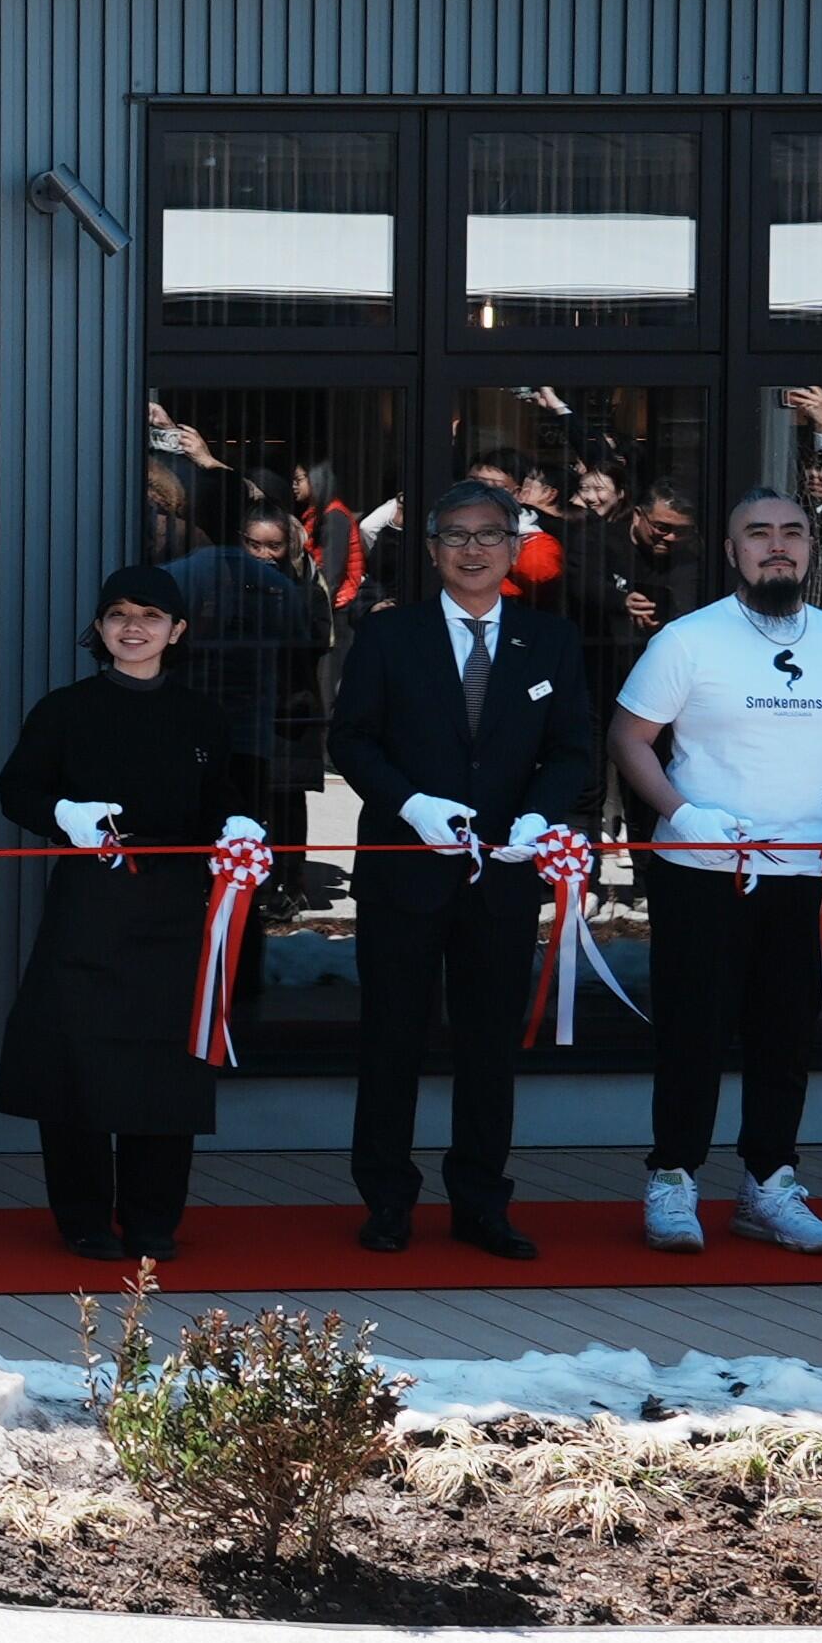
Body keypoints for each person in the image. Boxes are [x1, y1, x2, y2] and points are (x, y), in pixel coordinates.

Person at [611, 488, 822, 1253]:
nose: (776, 545)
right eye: (757, 533)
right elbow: (629, 738)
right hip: (701, 868)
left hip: (803, 872)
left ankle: (768, 1184)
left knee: (783, 1034)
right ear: (730, 551)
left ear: (809, 546)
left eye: (791, 533)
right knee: (692, 1031)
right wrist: (679, 811)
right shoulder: (686, 641)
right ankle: (672, 1177)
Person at [328, 478, 600, 1256]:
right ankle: (386, 1199)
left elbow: (572, 750)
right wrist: (411, 804)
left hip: (503, 874)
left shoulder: (549, 640)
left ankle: (480, 1201)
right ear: (430, 548)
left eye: (488, 535)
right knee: (391, 1040)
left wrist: (537, 817)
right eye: (455, 534)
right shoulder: (390, 634)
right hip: (403, 870)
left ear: (514, 547)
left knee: (488, 1047)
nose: (472, 549)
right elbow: (349, 740)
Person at [0, 569, 260, 1262]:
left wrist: (236, 822)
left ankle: (151, 1219)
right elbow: (17, 789)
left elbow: (219, 792)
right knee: (75, 1058)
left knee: (165, 1063)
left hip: (176, 908)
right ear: (99, 627)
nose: (132, 627)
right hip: (91, 901)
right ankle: (82, 1218)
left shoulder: (201, 715)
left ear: (177, 630)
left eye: (149, 615)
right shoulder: (64, 710)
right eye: (117, 614)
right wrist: (64, 814)